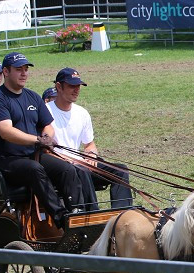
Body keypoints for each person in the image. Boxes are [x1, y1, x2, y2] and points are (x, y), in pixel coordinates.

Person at [0, 52, 81, 228]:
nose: (24, 73)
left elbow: (49, 126)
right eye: (18, 69)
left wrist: (46, 137)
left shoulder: (33, 96)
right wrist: (38, 140)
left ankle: (78, 214)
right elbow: (6, 131)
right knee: (34, 169)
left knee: (67, 169)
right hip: (5, 160)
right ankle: (60, 218)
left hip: (32, 155)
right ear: (5, 71)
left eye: (26, 69)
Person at [46, 67, 133, 209]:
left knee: (120, 170)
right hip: (62, 169)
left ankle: (121, 214)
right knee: (82, 170)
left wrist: (91, 155)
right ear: (59, 87)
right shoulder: (46, 111)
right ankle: (93, 215)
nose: (76, 90)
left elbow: (89, 144)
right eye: (71, 86)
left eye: (78, 86)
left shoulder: (82, 113)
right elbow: (45, 150)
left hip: (81, 165)